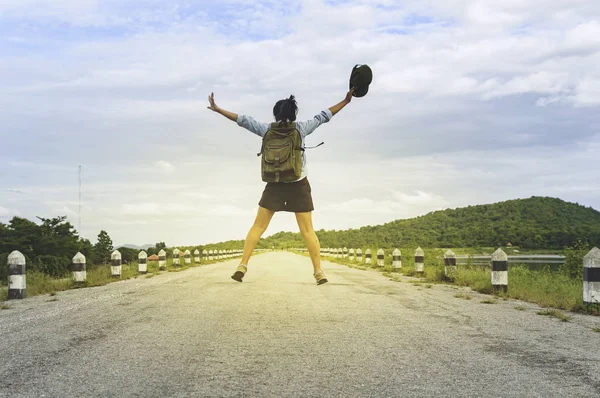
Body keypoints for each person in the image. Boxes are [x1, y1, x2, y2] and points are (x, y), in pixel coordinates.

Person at [207, 87, 355, 285]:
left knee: (258, 226)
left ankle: (242, 265)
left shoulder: (267, 129)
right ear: (294, 114)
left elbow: (242, 120)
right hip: (298, 183)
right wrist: (345, 101)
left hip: (274, 183)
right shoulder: (301, 128)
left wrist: (218, 109)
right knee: (308, 231)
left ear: (276, 114)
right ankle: (319, 272)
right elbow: (324, 116)